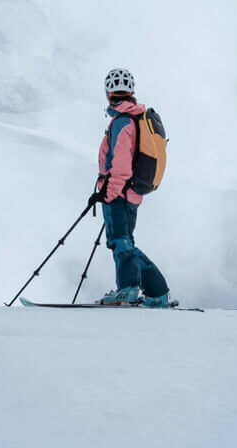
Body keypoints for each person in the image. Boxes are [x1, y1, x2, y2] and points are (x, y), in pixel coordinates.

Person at [88, 68, 170, 307]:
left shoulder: (123, 121)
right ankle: (157, 292)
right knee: (125, 242)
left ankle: (128, 289)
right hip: (131, 193)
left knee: (120, 242)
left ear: (108, 93)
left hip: (119, 193)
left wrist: (108, 194)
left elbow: (121, 165)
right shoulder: (134, 117)